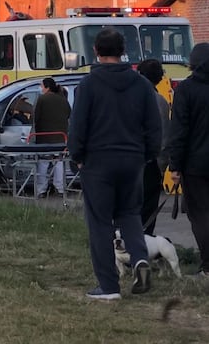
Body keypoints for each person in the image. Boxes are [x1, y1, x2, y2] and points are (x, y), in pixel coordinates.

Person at [68, 28, 162, 300]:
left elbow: (78, 125)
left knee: (100, 222)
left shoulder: (88, 84)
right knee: (130, 214)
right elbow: (154, 127)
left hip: (98, 161)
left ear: (96, 50)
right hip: (133, 160)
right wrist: (147, 155)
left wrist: (77, 156)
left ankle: (108, 286)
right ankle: (141, 260)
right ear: (123, 51)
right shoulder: (142, 84)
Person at [166, 42, 209, 278]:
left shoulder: (187, 89)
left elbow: (180, 130)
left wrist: (175, 165)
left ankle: (208, 265)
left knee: (201, 213)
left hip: (196, 163)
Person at [137, 59, 171, 235]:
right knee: (148, 209)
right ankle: (144, 246)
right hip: (150, 163)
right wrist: (162, 165)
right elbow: (164, 139)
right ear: (159, 78)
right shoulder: (159, 101)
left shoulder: (126, 97)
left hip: (126, 161)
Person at [31, 77, 71, 198]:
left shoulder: (42, 99)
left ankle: (41, 190)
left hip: (44, 137)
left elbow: (35, 117)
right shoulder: (63, 99)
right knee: (58, 163)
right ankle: (60, 189)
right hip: (60, 137)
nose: (41, 88)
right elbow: (69, 114)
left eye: (41, 86)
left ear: (47, 87)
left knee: (43, 163)